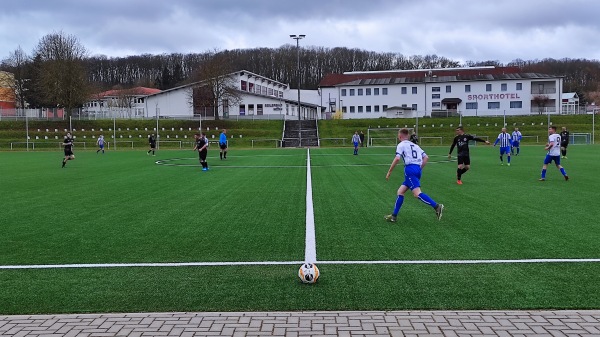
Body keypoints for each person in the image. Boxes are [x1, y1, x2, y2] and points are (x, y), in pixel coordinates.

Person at [384, 128, 444, 223]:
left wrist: (389, 171)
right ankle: (394, 216)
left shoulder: (401, 145)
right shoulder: (415, 145)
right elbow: (426, 157)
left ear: (399, 136)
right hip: (417, 169)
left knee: (417, 194)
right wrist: (419, 169)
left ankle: (437, 206)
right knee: (400, 192)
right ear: (408, 136)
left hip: (410, 170)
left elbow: (397, 159)